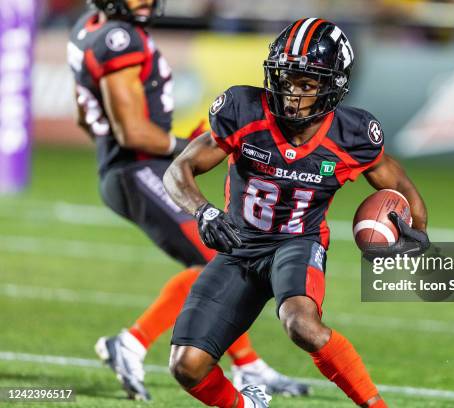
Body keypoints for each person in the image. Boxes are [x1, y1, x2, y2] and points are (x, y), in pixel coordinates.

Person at [163, 18, 429, 407]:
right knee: (187, 366)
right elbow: (178, 170)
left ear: (332, 86)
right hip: (238, 245)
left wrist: (416, 234)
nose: (292, 95)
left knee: (301, 324)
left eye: (307, 84)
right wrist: (203, 212)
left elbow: (401, 189)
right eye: (287, 79)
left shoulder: (351, 135)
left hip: (297, 243)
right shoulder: (244, 109)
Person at [67, 0, 308, 401]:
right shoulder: (119, 38)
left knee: (220, 261)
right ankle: (131, 342)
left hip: (128, 170)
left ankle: (248, 364)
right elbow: (133, 134)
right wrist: (185, 147)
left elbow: (83, 116)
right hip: (138, 168)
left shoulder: (89, 26)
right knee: (218, 261)